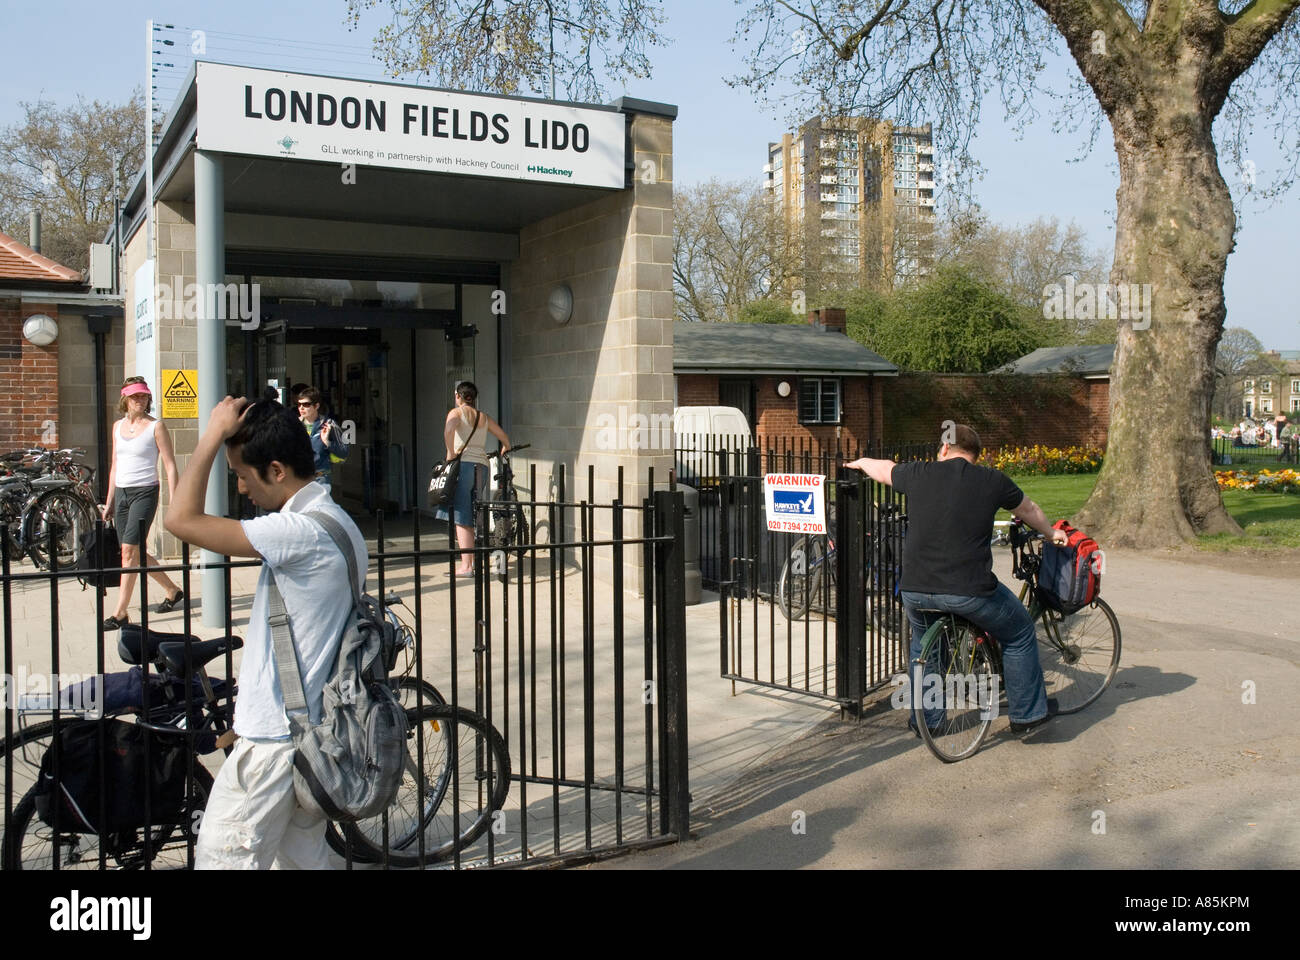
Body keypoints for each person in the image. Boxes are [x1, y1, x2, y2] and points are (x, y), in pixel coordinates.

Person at [164, 391, 367, 869]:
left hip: (274, 745)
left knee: (223, 859)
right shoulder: (338, 522)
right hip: (308, 735)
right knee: (302, 862)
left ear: (276, 471)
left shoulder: (297, 533)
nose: (240, 488)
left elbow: (180, 519)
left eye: (240, 475)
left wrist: (212, 433)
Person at [846, 424, 1069, 736]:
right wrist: (1052, 533)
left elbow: (883, 469)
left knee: (923, 649)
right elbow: (1028, 508)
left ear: (944, 449)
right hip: (968, 591)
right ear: (975, 455)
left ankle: (928, 723)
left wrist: (859, 463)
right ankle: (1027, 715)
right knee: (1018, 632)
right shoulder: (992, 480)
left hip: (915, 590)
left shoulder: (918, 473)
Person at [99, 376, 185, 630]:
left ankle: (120, 612)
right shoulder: (117, 426)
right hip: (122, 492)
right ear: (125, 398)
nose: (141, 400)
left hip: (145, 492)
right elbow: (115, 465)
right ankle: (172, 590)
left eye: (144, 395)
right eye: (136, 396)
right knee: (134, 553)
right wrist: (109, 501)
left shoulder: (156, 426)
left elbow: (169, 464)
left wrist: (175, 498)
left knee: (128, 552)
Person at [437, 381, 509, 576]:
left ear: (458, 396)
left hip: (464, 466)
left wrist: (451, 453)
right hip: (482, 467)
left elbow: (449, 430)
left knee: (461, 515)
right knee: (474, 510)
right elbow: (503, 436)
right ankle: (473, 559)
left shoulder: (456, 413)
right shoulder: (483, 417)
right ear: (474, 398)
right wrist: (505, 446)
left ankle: (467, 566)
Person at [297, 386, 348, 495]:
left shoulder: (329, 425)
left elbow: (344, 451)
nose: (301, 408)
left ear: (316, 406)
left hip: (320, 478)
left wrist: (327, 442)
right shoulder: (294, 425)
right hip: (299, 478)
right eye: (299, 404)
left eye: (306, 405)